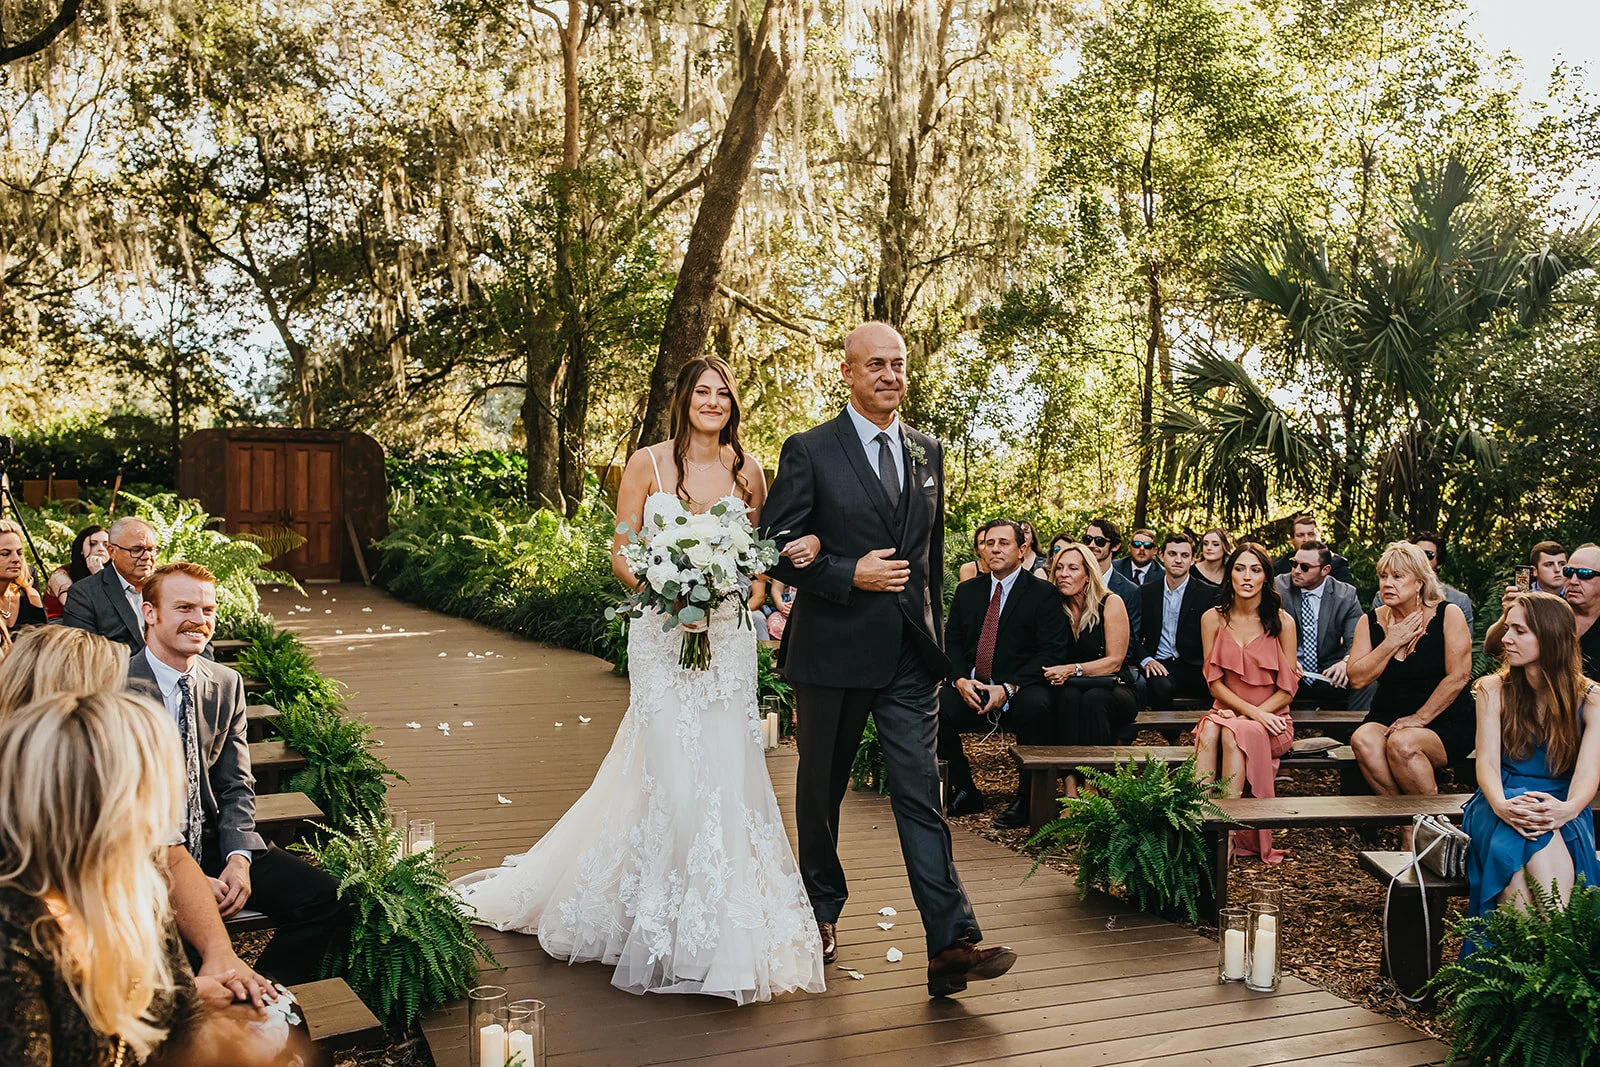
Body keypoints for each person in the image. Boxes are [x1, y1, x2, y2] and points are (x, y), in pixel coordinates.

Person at [457, 355, 825, 1005]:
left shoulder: (751, 471)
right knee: (670, 774)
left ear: (734, 404)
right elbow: (622, 552)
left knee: (726, 774)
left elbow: (762, 568)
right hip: (661, 635)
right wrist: (670, 592)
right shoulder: (647, 463)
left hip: (729, 642)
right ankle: (660, 923)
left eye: (724, 393)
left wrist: (733, 592)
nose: (713, 401)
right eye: (702, 391)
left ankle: (717, 931)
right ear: (683, 398)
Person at [762, 322, 1016, 997]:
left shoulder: (928, 451)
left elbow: (928, 565)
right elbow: (773, 544)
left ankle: (950, 940)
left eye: (899, 364)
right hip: (831, 653)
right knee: (822, 794)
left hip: (908, 659)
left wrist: (940, 652)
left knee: (920, 795)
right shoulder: (809, 450)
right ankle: (820, 910)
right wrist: (848, 573)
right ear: (846, 372)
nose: (890, 375)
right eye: (875, 364)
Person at [0, 691, 300, 1067]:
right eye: (153, 792)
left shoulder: (133, 886)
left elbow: (182, 1014)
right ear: (101, 805)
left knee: (282, 1018)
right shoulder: (13, 926)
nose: (165, 820)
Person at [0, 626, 280, 1011]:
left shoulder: (106, 776)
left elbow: (171, 853)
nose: (124, 702)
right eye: (110, 694)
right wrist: (185, 998)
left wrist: (220, 952)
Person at [127, 563, 349, 988]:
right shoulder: (117, 683)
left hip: (212, 838)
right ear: (149, 613)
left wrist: (239, 859)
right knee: (175, 948)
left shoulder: (225, 683)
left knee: (328, 899)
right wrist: (184, 880)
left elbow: (236, 784)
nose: (200, 620)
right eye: (185, 607)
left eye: (208, 609)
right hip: (146, 852)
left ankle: (261, 995)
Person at [1462, 593, 1600, 920]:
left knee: (1518, 886)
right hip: (1497, 801)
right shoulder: (1492, 690)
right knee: (1529, 826)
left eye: (1519, 631)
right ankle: (1563, 955)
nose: (1506, 639)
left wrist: (1566, 810)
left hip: (1563, 803)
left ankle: (1528, 965)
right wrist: (1501, 805)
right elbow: (1487, 764)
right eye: (1508, 628)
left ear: (1551, 638)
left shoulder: (1592, 699)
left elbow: (1589, 772)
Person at [937, 521, 1067, 828]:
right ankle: (966, 789)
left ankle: (1027, 797)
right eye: (989, 543)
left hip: (1019, 688)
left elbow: (1051, 650)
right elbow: (951, 642)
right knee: (933, 706)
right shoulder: (968, 591)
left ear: (1022, 549)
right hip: (974, 686)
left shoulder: (1043, 593)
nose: (994, 549)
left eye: (1003, 543)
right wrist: (959, 680)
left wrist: (1009, 688)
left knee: (1038, 705)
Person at [1347, 542, 1476, 819]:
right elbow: (1357, 677)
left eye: (1397, 576)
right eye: (1383, 577)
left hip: (1446, 718)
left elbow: (1459, 677)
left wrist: (1419, 718)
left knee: (1402, 743)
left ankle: (1429, 825)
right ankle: (1409, 822)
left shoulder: (1447, 614)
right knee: (1363, 740)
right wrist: (1391, 642)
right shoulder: (1370, 621)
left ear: (1419, 583)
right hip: (1389, 714)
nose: (1388, 584)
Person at [1193, 544, 1300, 863]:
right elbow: (1213, 682)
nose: (1247, 576)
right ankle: (1197, 827)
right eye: (1240, 568)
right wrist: (1242, 713)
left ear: (1266, 577)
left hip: (1273, 719)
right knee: (1213, 732)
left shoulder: (1283, 623)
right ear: (1230, 574)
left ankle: (1225, 835)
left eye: (1255, 570)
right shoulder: (1212, 619)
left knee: (1230, 732)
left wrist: (1253, 715)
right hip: (1226, 711)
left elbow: (1289, 688)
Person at [1046, 543, 1138, 748]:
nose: (1063, 574)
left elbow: (1115, 662)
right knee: (1066, 698)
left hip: (1114, 686)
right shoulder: (1053, 607)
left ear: (1088, 574)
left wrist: (1074, 669)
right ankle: (1069, 777)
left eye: (1072, 568)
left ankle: (1094, 777)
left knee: (1094, 700)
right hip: (1072, 687)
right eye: (1059, 568)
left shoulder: (1111, 602)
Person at [1274, 540, 1365, 707]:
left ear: (1325, 570)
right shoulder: (1278, 587)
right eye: (1294, 564)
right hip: (1286, 669)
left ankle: (1356, 729)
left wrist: (1346, 662)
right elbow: (1262, 631)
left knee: (1367, 680)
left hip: (1328, 671)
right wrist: (1285, 659)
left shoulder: (1345, 595)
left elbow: (1358, 639)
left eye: (1305, 567)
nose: (1297, 571)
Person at [1488, 543, 1600, 678]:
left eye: (1584, 574)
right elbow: (1492, 649)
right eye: (1569, 572)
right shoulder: (1550, 611)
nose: (1573, 581)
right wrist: (1509, 611)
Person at [1135, 534, 1218, 709]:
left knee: (1219, 687)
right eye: (1172, 554)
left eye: (1185, 555)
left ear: (1193, 560)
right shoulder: (1145, 593)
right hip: (1159, 663)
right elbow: (1132, 635)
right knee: (1160, 688)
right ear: (1162, 556)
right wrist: (1146, 660)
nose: (1178, 560)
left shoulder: (1209, 594)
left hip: (1195, 665)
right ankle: (1172, 736)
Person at [61, 516, 159, 652]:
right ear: (112, 551)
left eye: (151, 549)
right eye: (136, 550)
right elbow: (81, 654)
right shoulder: (84, 594)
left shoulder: (167, 587)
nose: (147, 556)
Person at [1370, 532, 1474, 637]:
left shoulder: (1459, 601)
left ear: (1440, 563)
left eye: (1428, 555)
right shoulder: (1382, 598)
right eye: (1416, 554)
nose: (1422, 558)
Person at [1084, 518, 1143, 637]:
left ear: (1115, 546)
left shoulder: (1129, 591)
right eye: (1088, 539)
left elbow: (1130, 641)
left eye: (1099, 541)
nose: (1091, 545)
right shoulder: (1073, 579)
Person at [43, 524, 109, 619]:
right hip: (62, 625)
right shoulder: (61, 575)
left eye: (106, 545)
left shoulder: (117, 573)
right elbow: (75, 609)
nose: (101, 548)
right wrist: (99, 576)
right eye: (93, 544)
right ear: (81, 549)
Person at [0, 520, 47, 646]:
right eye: (5, 554)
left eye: (19, 553)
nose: (16, 559)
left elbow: (42, 647)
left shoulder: (30, 597)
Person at [1273, 513, 1353, 586]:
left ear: (1319, 536)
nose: (1306, 539)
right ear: (1291, 539)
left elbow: (1346, 595)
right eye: (1300, 535)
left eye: (1311, 534)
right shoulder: (1278, 566)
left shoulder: (1337, 564)